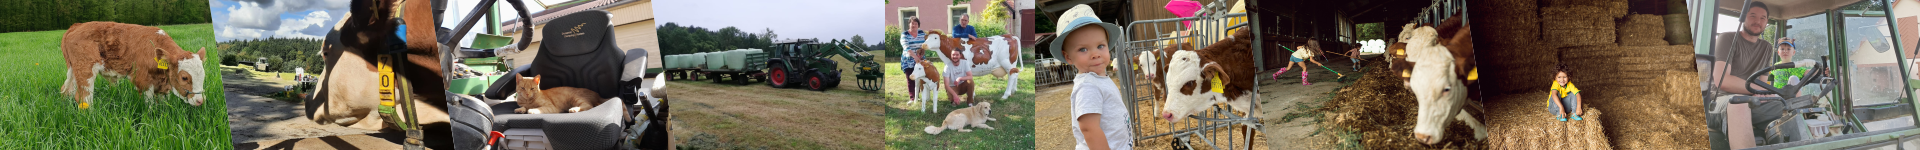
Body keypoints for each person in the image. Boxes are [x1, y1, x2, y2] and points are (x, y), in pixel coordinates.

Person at [1054, 4, 1133, 150]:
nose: (1095, 54)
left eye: (1100, 46)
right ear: (1068, 57)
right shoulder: (1088, 86)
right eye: (1083, 49)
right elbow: (1089, 129)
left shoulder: (1098, 79)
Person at [902, 17, 929, 100]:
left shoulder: (922, 33)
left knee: (921, 77)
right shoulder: (905, 34)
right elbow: (906, 47)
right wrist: (915, 57)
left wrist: (923, 50)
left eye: (916, 23)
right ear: (909, 24)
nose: (914, 25)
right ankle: (913, 98)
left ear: (918, 25)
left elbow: (926, 43)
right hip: (908, 59)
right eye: (912, 23)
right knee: (911, 78)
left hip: (920, 58)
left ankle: (921, 95)